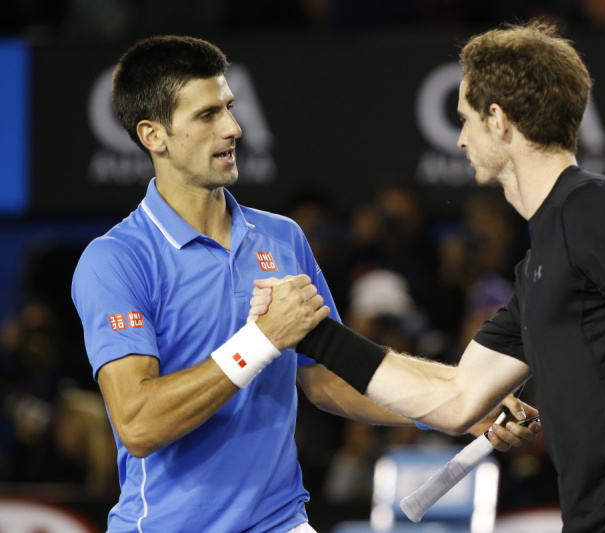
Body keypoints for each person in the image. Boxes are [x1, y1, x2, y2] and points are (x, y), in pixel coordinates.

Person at [279, 19, 605, 533]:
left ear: (498, 120)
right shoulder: (540, 262)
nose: (459, 140)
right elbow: (456, 400)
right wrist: (315, 335)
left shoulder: (595, 210)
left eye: (465, 119)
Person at [70, 35, 535, 533]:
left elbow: (327, 379)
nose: (233, 128)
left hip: (280, 521)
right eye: (207, 116)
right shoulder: (115, 261)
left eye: (228, 107)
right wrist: (261, 341)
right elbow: (139, 424)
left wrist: (459, 404)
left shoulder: (281, 237)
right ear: (153, 136)